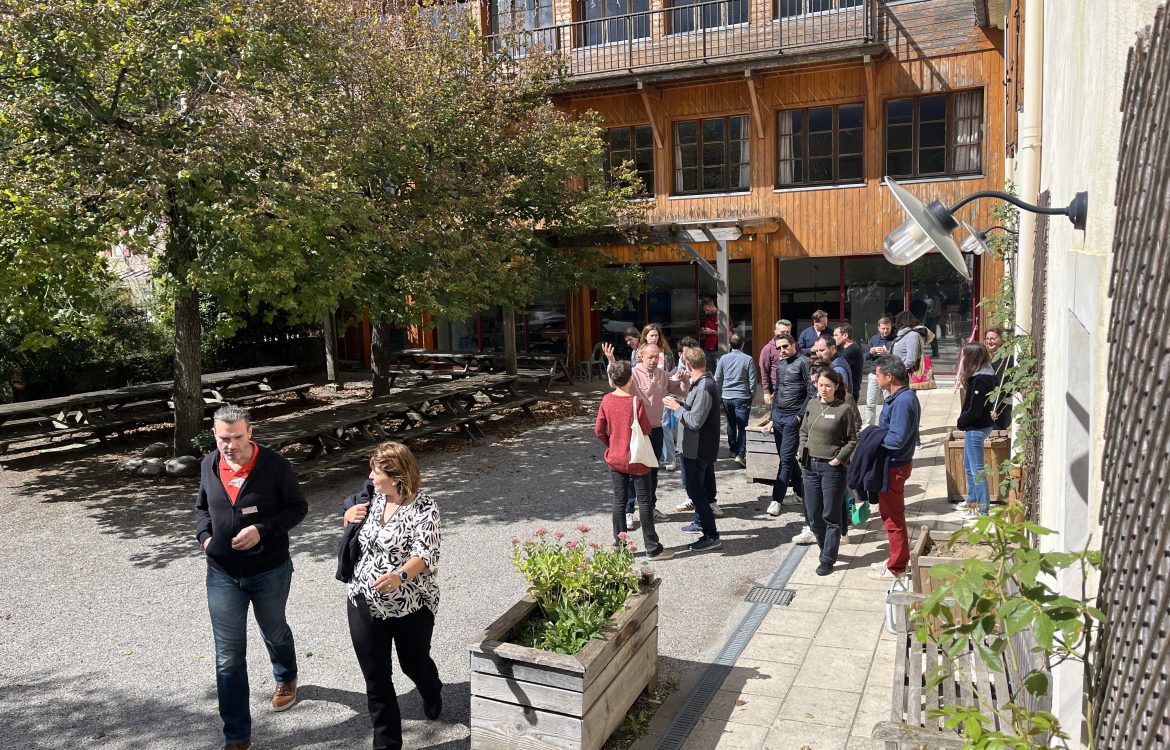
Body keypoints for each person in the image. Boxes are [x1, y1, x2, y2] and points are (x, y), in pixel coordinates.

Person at [194, 405, 308, 750]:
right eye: (223, 438)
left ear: (250, 432)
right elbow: (201, 508)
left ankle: (286, 676)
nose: (230, 445)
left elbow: (297, 508)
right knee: (228, 655)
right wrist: (206, 538)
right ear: (215, 435)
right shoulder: (209, 464)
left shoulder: (273, 465)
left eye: (237, 437)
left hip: (268, 570)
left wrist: (263, 529)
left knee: (273, 630)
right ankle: (238, 736)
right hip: (223, 574)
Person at [341, 441, 444, 750]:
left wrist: (400, 576)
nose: (371, 476)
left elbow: (425, 554)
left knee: (412, 664)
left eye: (377, 471)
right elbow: (352, 528)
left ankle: (431, 687)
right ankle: (386, 745)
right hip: (363, 600)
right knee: (376, 679)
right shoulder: (370, 498)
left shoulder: (424, 507)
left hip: (409, 604)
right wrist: (348, 516)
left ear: (397, 475)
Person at [595, 360, 671, 558]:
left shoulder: (606, 400)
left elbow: (599, 430)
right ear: (631, 379)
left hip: (616, 456)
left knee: (619, 501)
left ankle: (620, 546)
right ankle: (652, 547)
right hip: (636, 458)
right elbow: (646, 429)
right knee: (644, 502)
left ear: (612, 379)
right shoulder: (635, 401)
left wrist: (611, 444)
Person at [602, 339, 680, 527]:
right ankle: (629, 510)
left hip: (656, 429)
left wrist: (684, 380)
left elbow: (677, 389)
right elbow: (615, 383)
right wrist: (611, 361)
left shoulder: (662, 374)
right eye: (650, 357)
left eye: (657, 357)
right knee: (630, 471)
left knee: (652, 471)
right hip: (636, 431)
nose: (654, 360)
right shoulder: (632, 373)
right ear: (640, 357)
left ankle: (650, 507)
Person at [798, 368, 860, 576]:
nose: (823, 389)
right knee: (814, 515)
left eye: (828, 386)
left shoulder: (844, 409)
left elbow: (852, 439)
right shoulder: (812, 404)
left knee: (830, 516)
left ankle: (827, 559)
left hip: (831, 468)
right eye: (820, 385)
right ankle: (825, 547)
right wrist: (802, 449)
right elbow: (804, 430)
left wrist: (838, 459)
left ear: (836, 387)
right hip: (810, 466)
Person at [663, 347, 722, 552]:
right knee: (699, 491)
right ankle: (702, 525)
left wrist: (676, 408)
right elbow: (695, 410)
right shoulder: (701, 383)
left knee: (696, 493)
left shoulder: (705, 386)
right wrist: (682, 400)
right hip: (695, 448)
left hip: (697, 450)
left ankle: (711, 535)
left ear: (688, 365)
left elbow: (695, 421)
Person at [867, 356, 921, 581]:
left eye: (878, 374)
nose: (875, 378)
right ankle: (896, 559)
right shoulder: (902, 397)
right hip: (896, 464)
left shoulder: (902, 402)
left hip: (894, 466)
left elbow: (897, 439)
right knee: (892, 515)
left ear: (889, 377)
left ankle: (896, 567)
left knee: (892, 517)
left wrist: (872, 440)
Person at [763, 334, 815, 545]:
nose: (782, 350)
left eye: (785, 346)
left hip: (793, 417)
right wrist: (771, 417)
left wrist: (798, 417)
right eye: (779, 347)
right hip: (779, 417)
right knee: (787, 458)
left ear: (794, 345)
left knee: (785, 459)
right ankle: (801, 491)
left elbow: (810, 393)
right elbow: (778, 391)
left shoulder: (804, 363)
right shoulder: (782, 365)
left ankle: (776, 499)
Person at [956, 343, 997, 521]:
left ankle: (983, 511)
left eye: (965, 357)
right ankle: (972, 501)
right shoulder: (984, 373)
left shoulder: (981, 379)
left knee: (977, 470)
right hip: (976, 427)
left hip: (976, 428)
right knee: (968, 466)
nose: (962, 360)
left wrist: (961, 421)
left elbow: (975, 409)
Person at [714, 333, 757, 468]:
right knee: (743, 426)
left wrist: (720, 393)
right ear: (743, 344)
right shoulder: (748, 359)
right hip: (742, 396)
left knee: (731, 424)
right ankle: (740, 453)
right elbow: (752, 380)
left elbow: (717, 378)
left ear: (729, 345)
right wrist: (751, 394)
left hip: (727, 396)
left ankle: (733, 450)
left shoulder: (723, 358)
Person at [863, 316, 897, 427]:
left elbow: (898, 359)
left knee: (889, 402)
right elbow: (865, 356)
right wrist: (871, 352)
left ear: (891, 327)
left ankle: (888, 425)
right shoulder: (873, 339)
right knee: (871, 403)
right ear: (878, 328)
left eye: (887, 328)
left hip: (888, 375)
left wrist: (888, 354)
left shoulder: (895, 340)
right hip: (874, 374)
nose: (885, 331)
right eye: (883, 328)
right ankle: (869, 426)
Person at [758, 319, 793, 407]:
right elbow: (764, 371)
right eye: (782, 332)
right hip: (775, 388)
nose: (785, 334)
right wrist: (766, 392)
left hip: (793, 387)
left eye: (788, 332)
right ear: (775, 332)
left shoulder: (795, 346)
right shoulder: (768, 349)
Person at [984, 327, 1014, 429]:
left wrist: (993, 409)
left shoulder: (1005, 359)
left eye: (993, 339)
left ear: (1002, 339)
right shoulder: (990, 357)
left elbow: (1002, 387)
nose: (989, 342)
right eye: (987, 339)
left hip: (1001, 407)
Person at [834, 323, 864, 403]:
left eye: (836, 335)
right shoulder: (843, 348)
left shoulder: (852, 350)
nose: (834, 338)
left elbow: (836, 364)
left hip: (850, 393)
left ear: (845, 335)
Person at [699, 297, 721, 372]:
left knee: (719, 372)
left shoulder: (722, 316)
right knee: (710, 372)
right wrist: (704, 331)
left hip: (718, 349)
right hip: (708, 348)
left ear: (712, 306)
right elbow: (708, 329)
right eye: (705, 311)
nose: (706, 312)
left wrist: (712, 332)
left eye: (707, 310)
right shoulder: (708, 317)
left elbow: (728, 334)